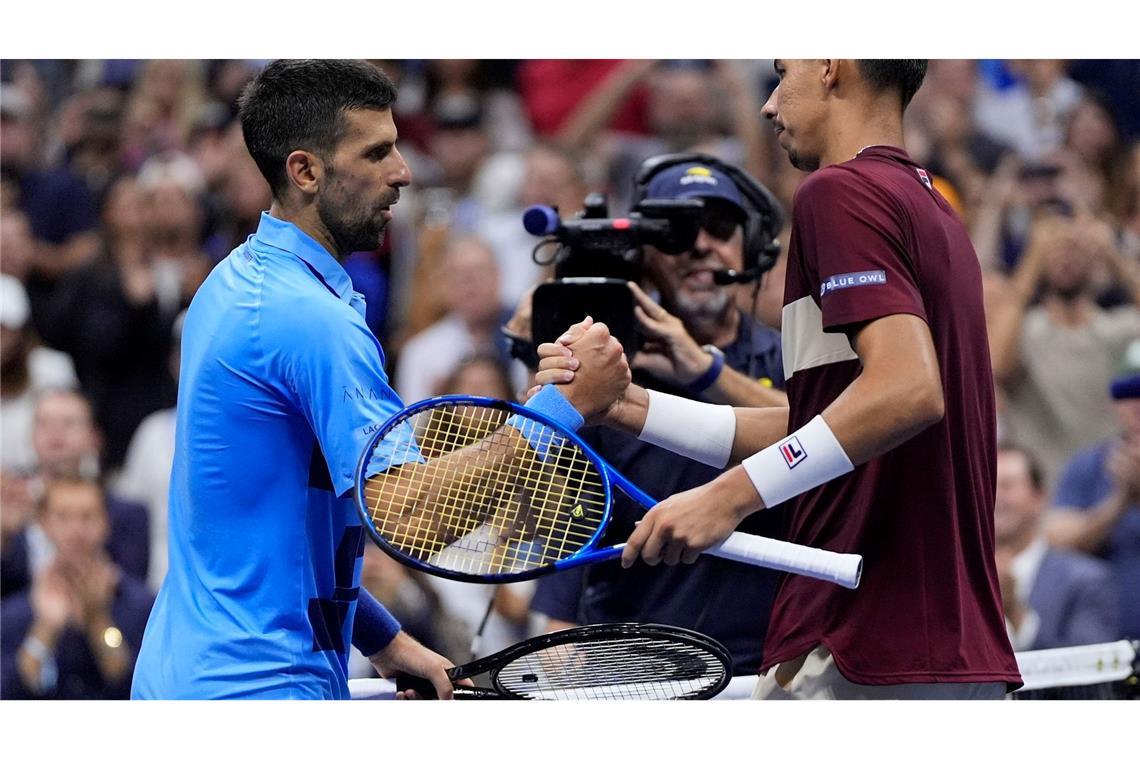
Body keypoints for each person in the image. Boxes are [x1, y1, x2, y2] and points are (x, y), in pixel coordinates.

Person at [129, 59, 627, 701]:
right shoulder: (310, 320)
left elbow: (263, 536)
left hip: (191, 680)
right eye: (377, 153)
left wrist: (385, 641)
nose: (403, 172)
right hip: (256, 694)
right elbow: (406, 519)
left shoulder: (232, 283)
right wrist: (559, 413)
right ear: (305, 171)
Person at [536, 60, 1022, 699]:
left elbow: (907, 391)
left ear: (829, 65)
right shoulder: (931, 205)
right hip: (945, 654)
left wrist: (726, 498)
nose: (768, 105)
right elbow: (820, 427)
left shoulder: (838, 192)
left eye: (783, 71)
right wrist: (627, 406)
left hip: (868, 648)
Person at [526, 156, 788, 673]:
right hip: (636, 672)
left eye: (719, 228)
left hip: (773, 672)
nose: (699, 246)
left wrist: (705, 374)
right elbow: (568, 532)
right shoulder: (601, 376)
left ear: (750, 247)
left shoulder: (790, 361)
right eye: (675, 233)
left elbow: (826, 434)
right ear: (643, 256)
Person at [0, 476, 154, 699]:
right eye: (63, 517)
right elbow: (8, 692)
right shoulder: (17, 610)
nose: (76, 529)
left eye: (88, 517)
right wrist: (44, 629)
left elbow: (138, 689)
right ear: (43, 523)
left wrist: (99, 621)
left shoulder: (142, 606)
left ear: (106, 522)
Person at [1047, 343, 1140, 639]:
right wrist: (1121, 501)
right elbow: (1058, 541)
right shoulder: (1090, 465)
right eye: (1128, 392)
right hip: (1106, 645)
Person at [993, 444, 1117, 650]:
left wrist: (1016, 615)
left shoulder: (1086, 581)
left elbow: (1089, 668)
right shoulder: (952, 577)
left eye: (1007, 486)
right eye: (985, 485)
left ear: (1039, 497)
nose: (995, 497)